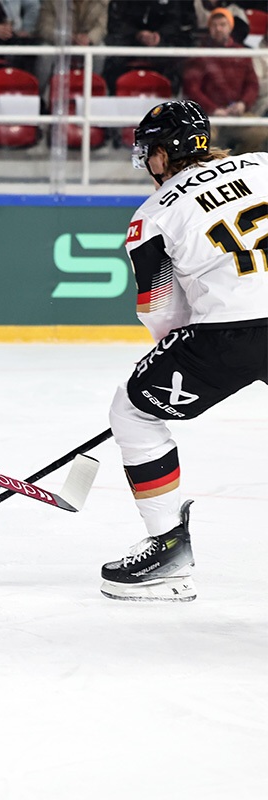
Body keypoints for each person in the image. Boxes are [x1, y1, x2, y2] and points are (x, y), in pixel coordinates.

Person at [99, 100, 268, 602]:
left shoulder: (153, 215)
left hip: (226, 334)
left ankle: (168, 553)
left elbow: (161, 312)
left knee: (132, 412)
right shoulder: (262, 165)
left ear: (163, 153)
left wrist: (186, 354)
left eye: (148, 151)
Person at [181, 6, 263, 153]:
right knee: (204, 138)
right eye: (214, 25)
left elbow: (252, 84)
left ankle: (238, 160)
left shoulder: (242, 53)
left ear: (230, 27)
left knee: (260, 132)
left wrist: (243, 104)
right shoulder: (199, 54)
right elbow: (192, 88)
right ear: (209, 28)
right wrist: (213, 109)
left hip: (236, 113)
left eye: (222, 25)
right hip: (209, 115)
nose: (218, 29)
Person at [101, 0, 196, 90]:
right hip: (129, 41)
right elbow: (117, 22)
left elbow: (175, 21)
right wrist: (137, 34)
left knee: (175, 59)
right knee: (114, 57)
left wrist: (158, 36)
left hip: (162, 42)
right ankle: (113, 93)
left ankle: (169, 94)